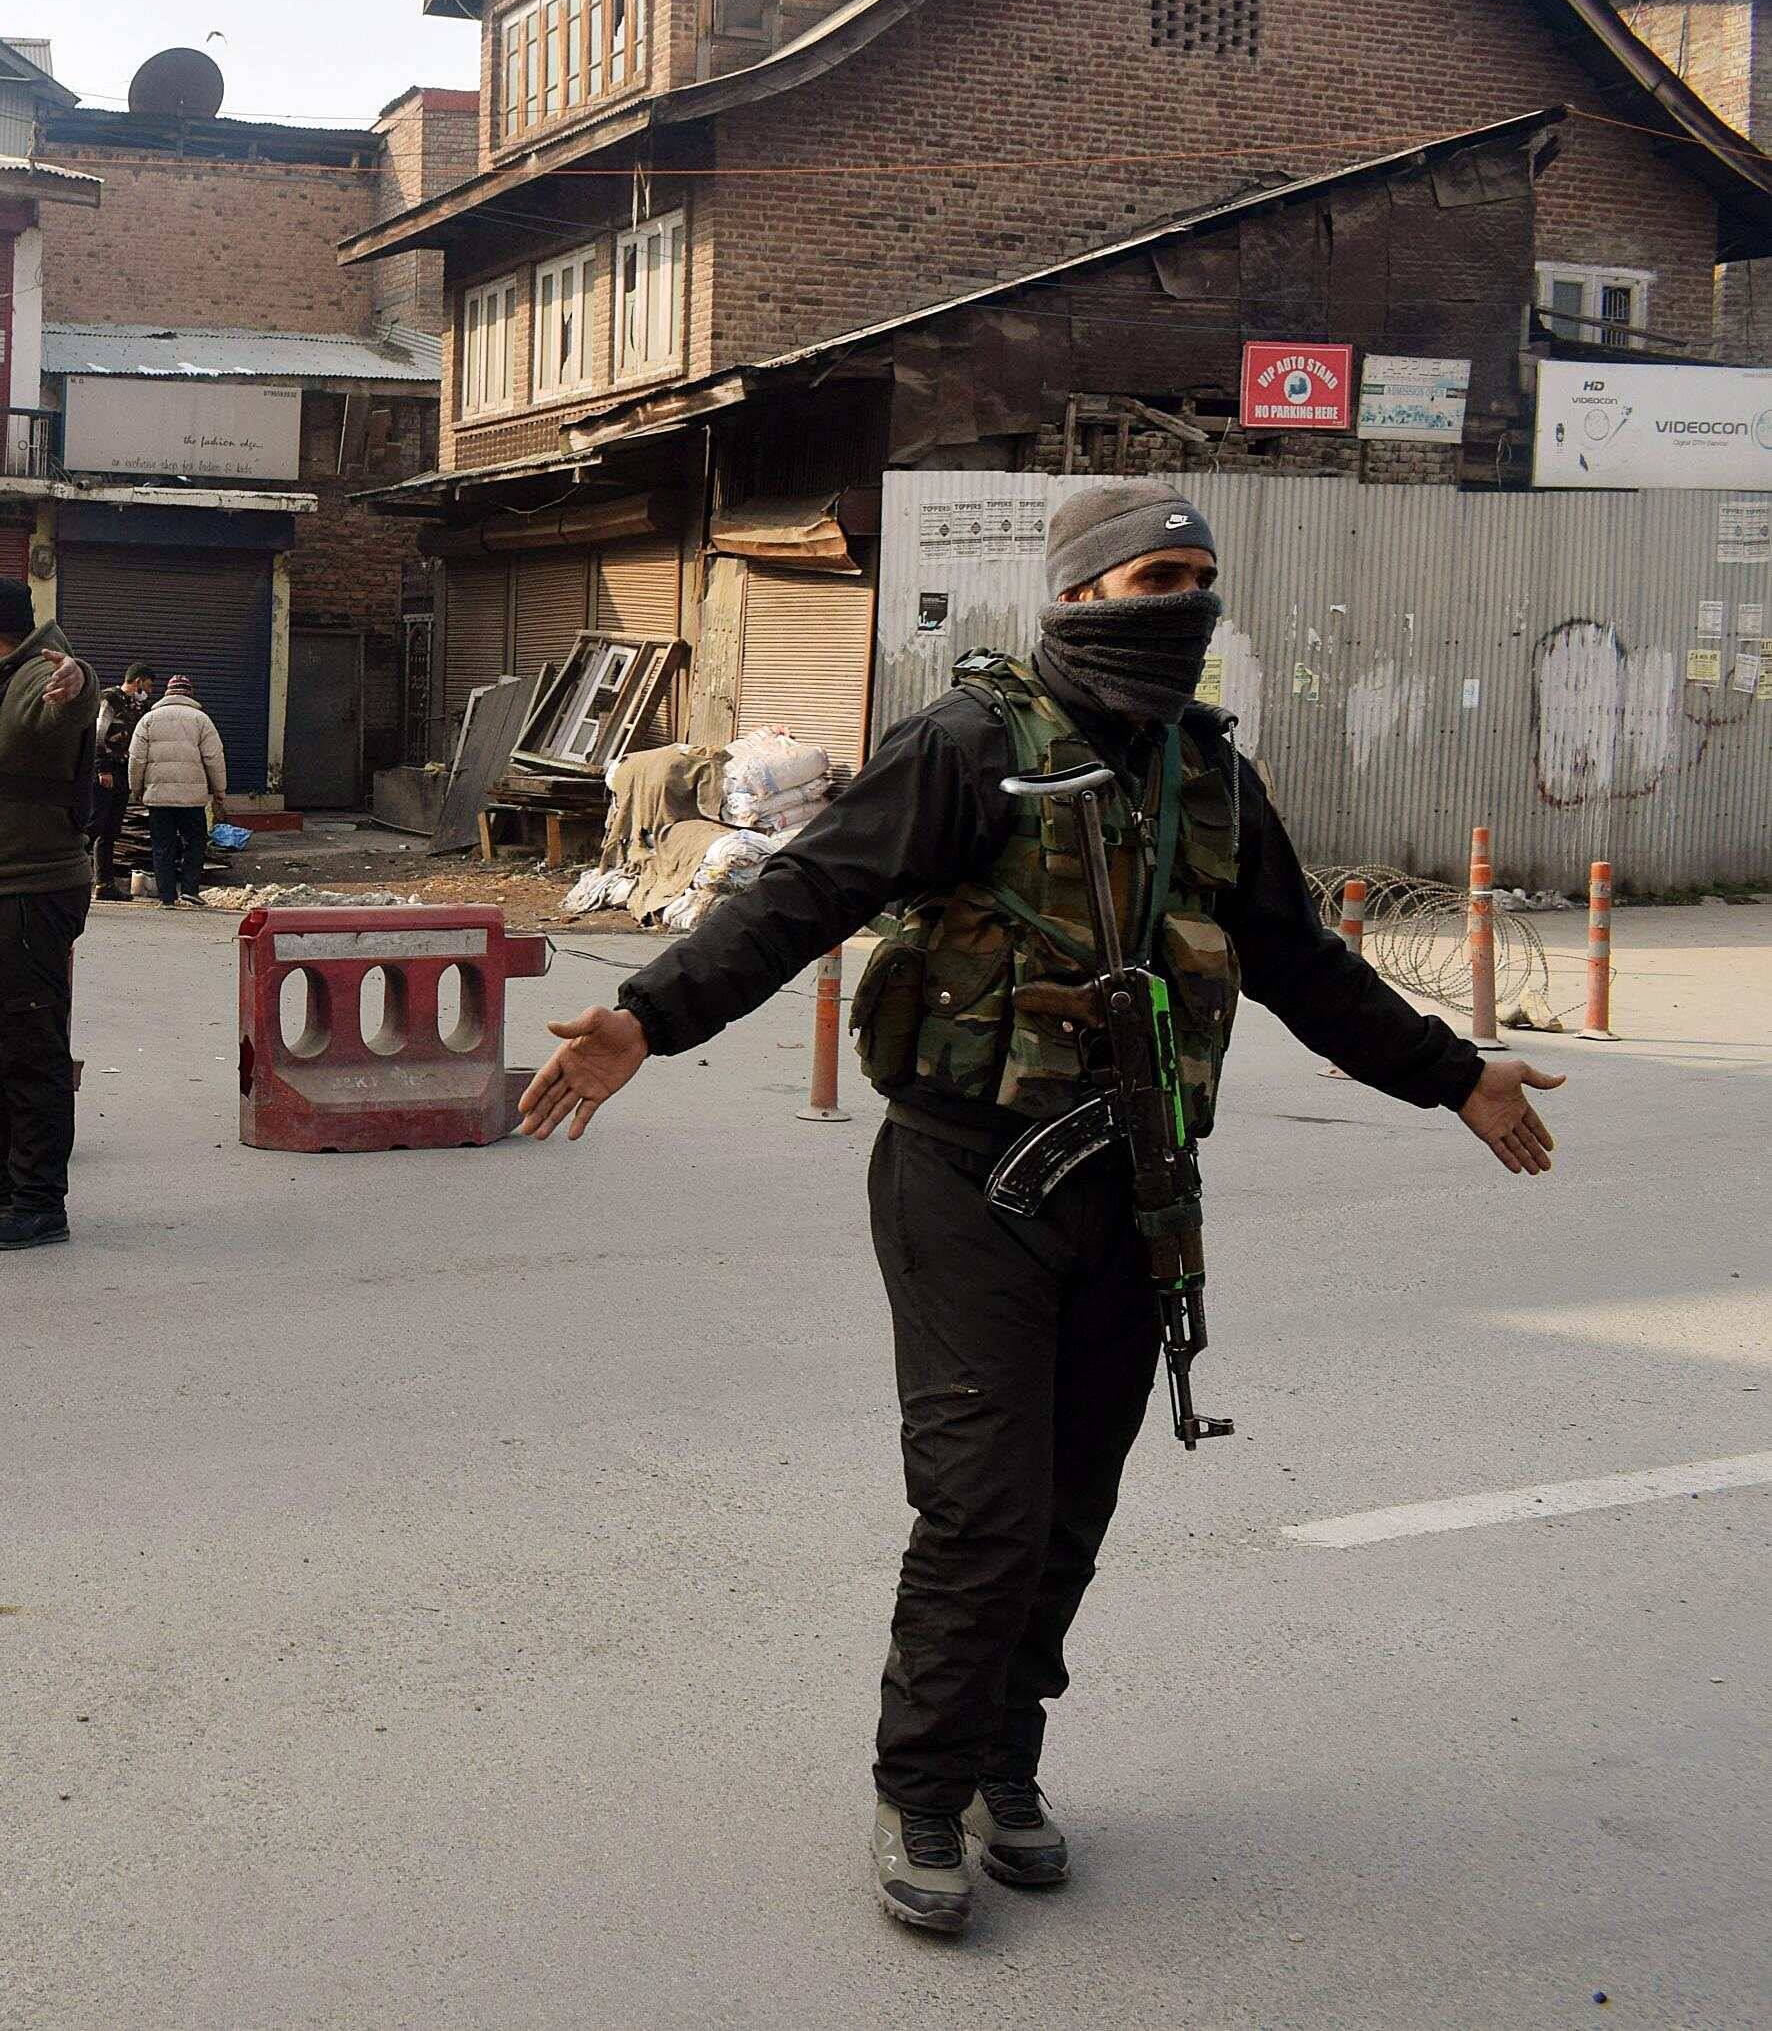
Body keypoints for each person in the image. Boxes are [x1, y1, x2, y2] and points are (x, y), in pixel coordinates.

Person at [515, 480, 1566, 1934]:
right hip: (968, 1181)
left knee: (1071, 1500)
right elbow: (805, 893)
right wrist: (647, 1014)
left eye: (1198, 578)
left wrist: (1453, 1075)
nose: (1185, 603)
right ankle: (921, 1787)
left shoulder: (1207, 777)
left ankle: (1005, 1760)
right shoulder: (966, 746)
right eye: (1154, 579)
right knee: (984, 1506)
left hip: (1135, 1188)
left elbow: (1302, 965)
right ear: (1077, 594)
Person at [0, 576, 102, 1252]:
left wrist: (80, 682)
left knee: (30, 1051)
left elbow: (69, 702)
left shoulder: (38, 676)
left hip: (29, 894)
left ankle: (40, 1205)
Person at [127, 673, 228, 908]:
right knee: (195, 841)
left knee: (163, 845)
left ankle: (167, 896)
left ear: (167, 693)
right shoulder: (201, 719)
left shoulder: (148, 719)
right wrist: (219, 790)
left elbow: (136, 759)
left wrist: (136, 789)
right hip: (192, 799)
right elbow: (214, 757)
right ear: (189, 694)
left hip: (158, 797)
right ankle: (190, 890)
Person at [91, 661, 157, 897]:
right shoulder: (110, 699)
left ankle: (104, 884)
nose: (149, 691)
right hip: (106, 772)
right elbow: (98, 736)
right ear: (138, 681)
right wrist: (103, 769)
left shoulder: (140, 708)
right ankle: (69, 876)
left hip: (123, 772)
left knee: (111, 830)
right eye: (148, 686)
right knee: (95, 826)